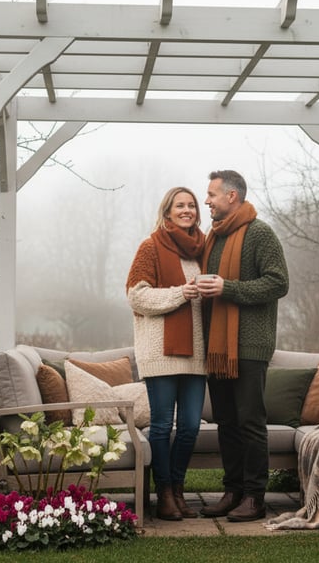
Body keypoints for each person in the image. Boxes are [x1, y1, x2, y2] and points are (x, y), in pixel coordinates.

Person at [197, 169, 289, 522]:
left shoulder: (260, 233)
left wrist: (228, 289)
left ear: (231, 196)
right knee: (227, 423)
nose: (207, 201)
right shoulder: (213, 237)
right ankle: (233, 491)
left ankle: (255, 498)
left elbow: (278, 283)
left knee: (250, 422)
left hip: (249, 345)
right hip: (218, 348)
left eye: (212, 194)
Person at [125, 186, 207, 521]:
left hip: (197, 352)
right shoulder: (151, 246)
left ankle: (177, 487)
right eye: (180, 206)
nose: (187, 210)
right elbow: (136, 296)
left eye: (191, 205)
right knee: (161, 426)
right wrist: (180, 294)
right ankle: (165, 493)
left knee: (189, 427)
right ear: (168, 211)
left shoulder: (203, 249)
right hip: (159, 352)